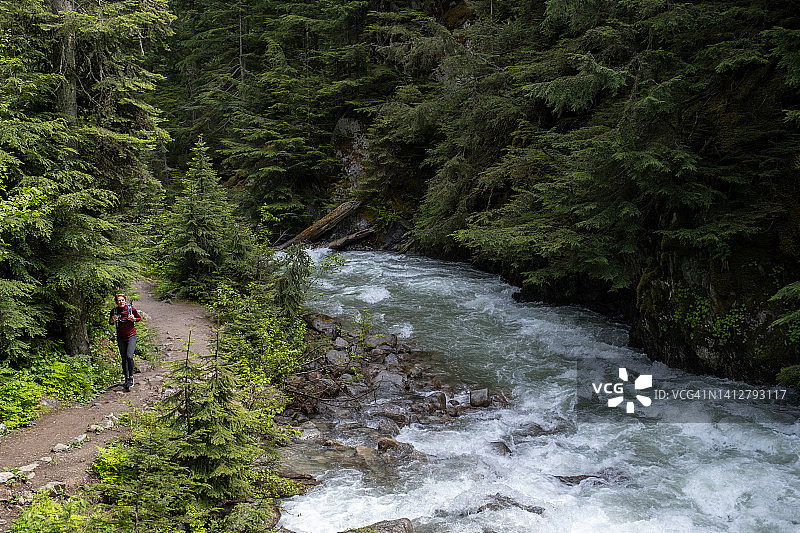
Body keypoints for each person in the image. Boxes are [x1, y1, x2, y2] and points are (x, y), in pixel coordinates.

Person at [109, 294, 141, 392]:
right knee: (124, 358)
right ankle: (126, 378)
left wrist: (134, 319)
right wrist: (112, 320)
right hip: (120, 337)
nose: (121, 302)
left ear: (125, 301)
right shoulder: (114, 311)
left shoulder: (131, 309)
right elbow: (110, 322)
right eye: (119, 300)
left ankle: (131, 377)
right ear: (116, 302)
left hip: (131, 336)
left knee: (129, 356)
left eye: (122, 300)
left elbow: (139, 318)